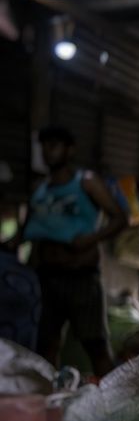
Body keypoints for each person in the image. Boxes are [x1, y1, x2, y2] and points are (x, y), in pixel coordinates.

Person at [4, 126, 126, 375]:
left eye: (55, 145)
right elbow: (24, 233)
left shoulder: (86, 182)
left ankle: (115, 407)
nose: (48, 151)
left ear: (70, 150)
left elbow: (119, 218)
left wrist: (91, 239)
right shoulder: (40, 189)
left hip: (81, 278)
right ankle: (50, 406)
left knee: (97, 347)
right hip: (46, 278)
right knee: (45, 348)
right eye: (45, 146)